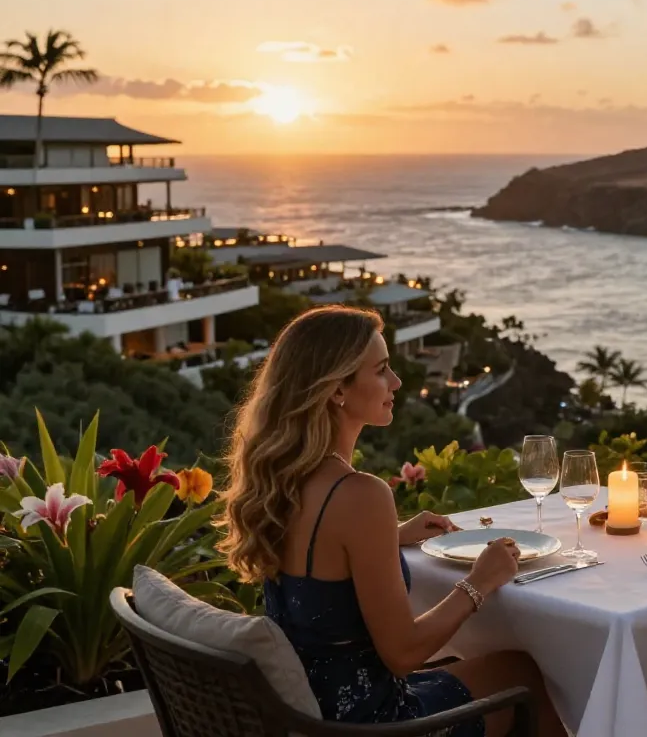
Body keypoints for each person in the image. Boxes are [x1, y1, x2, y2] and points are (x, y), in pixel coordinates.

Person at [218, 305, 565, 736]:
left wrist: (391, 536)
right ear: (336, 390)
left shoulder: (284, 480)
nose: (397, 383)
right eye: (382, 370)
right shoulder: (359, 494)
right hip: (374, 725)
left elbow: (316, 566)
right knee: (522, 673)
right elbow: (403, 653)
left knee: (486, 664)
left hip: (318, 714)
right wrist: (480, 580)